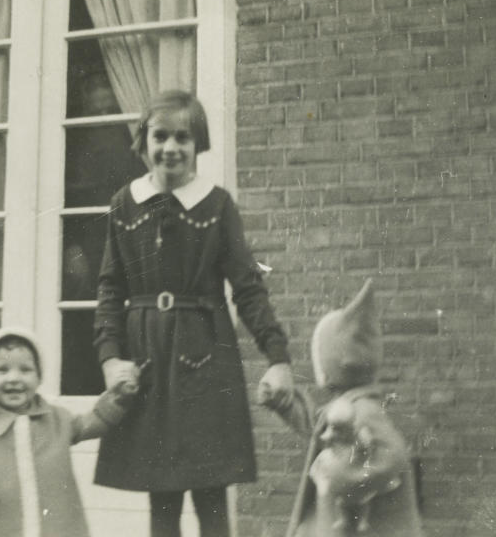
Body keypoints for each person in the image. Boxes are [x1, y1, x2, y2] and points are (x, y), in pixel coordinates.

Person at [93, 90, 295, 537]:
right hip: (149, 363)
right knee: (161, 498)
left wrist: (278, 358)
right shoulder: (124, 206)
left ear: (198, 143)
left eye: (182, 137)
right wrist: (110, 358)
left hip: (207, 361)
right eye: (160, 136)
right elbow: (110, 289)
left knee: (211, 494)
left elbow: (248, 288)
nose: (170, 148)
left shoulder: (217, 205)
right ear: (143, 144)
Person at [261, 279, 423, 537]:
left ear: (337, 365)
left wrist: (342, 474)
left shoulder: (364, 412)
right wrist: (284, 403)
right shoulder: (348, 406)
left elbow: (395, 454)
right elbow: (317, 427)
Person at [0, 327, 136, 537]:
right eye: (1, 370)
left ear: (39, 377)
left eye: (25, 370)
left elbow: (94, 422)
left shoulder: (57, 419)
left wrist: (119, 397)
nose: (13, 378)